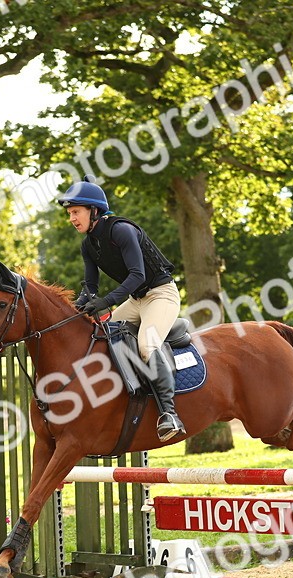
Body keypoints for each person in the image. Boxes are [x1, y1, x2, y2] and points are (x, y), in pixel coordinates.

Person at [57, 175, 187, 441]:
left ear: (94, 211)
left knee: (146, 345)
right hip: (137, 300)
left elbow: (137, 275)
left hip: (161, 295)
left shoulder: (121, 230)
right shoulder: (88, 244)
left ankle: (169, 414)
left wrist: (106, 301)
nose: (72, 218)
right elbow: (90, 285)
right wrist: (81, 305)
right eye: (70, 213)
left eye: (76, 212)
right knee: (103, 337)